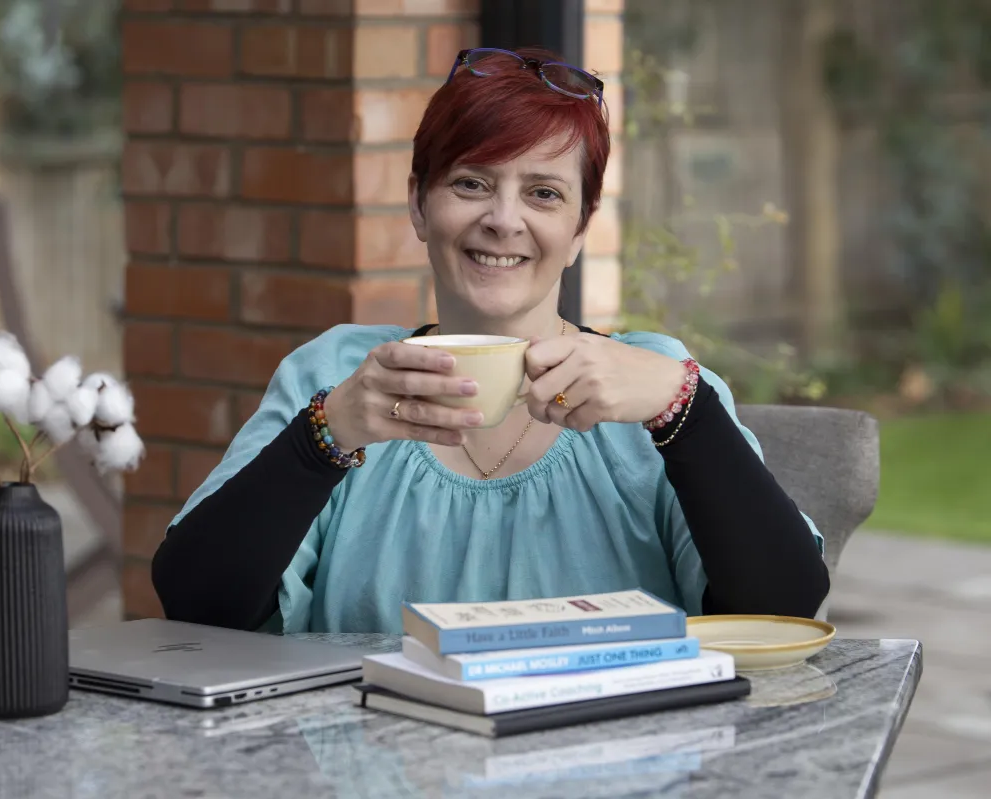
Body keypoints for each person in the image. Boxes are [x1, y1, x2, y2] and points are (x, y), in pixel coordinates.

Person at [151, 47, 829, 634]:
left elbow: (783, 607)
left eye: (543, 194)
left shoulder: (659, 383)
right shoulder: (333, 376)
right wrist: (328, 433)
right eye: (472, 182)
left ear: (583, 228)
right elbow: (196, 605)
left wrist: (686, 410)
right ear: (419, 203)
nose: (503, 220)